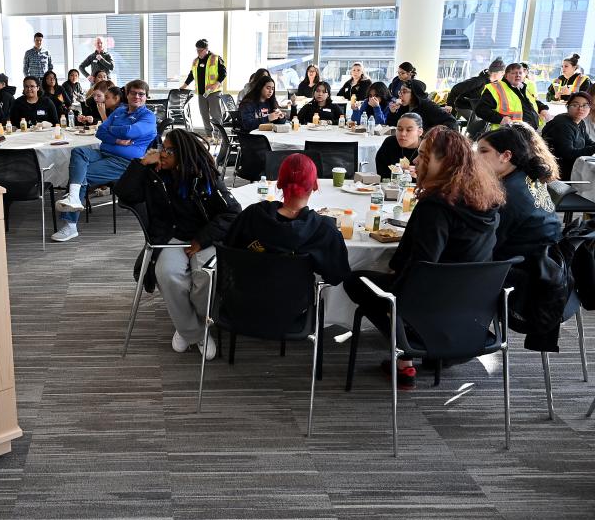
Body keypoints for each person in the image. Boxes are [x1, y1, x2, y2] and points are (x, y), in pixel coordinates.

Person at [343, 126, 504, 388]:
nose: (416, 161)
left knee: (354, 280)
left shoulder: (437, 206)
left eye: (423, 155)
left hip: (430, 303)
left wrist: (395, 276)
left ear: (443, 161)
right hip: (470, 304)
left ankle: (407, 352)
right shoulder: (486, 201)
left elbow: (422, 266)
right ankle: (417, 344)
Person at [113, 129, 241, 360]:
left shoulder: (205, 176)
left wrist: (202, 239)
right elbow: (123, 193)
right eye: (162, 148)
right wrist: (142, 163)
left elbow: (232, 213)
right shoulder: (154, 174)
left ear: (182, 154)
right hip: (169, 237)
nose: (163, 154)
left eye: (169, 150)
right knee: (167, 273)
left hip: (205, 237)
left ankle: (190, 321)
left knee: (205, 276)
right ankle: (193, 332)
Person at [53, 79, 157, 242]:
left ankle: (70, 226)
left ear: (146, 97)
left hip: (125, 162)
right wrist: (116, 139)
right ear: (127, 95)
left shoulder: (148, 117)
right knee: (79, 151)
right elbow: (99, 132)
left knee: (80, 177)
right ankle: (73, 197)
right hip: (105, 153)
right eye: (133, 93)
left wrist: (111, 129)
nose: (137, 96)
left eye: (141, 94)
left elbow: (130, 132)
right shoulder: (119, 112)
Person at [226, 153, 350, 286]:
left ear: (279, 183)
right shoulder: (324, 229)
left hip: (241, 299)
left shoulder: (251, 215)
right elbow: (336, 276)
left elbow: (228, 251)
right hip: (294, 303)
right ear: (314, 185)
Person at [478, 124, 560, 261]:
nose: (474, 157)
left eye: (483, 151)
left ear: (506, 156)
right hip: (547, 260)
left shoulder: (504, 192)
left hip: (522, 269)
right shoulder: (526, 176)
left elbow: (487, 244)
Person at [475, 62, 551, 131]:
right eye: (514, 73)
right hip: (508, 132)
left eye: (520, 73)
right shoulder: (496, 87)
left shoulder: (522, 87)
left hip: (531, 131)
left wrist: (543, 109)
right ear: (506, 75)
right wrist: (501, 119)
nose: (518, 75)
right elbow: (481, 109)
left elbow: (532, 101)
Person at [541, 91, 595, 177]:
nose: (580, 109)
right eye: (575, 105)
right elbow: (568, 154)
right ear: (567, 106)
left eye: (585, 105)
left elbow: (587, 141)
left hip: (574, 167)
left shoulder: (580, 122)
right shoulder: (562, 124)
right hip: (559, 173)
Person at [180, 39, 227, 133]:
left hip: (214, 92)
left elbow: (223, 73)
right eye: (197, 50)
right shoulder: (195, 61)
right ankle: (209, 135)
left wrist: (216, 84)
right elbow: (192, 74)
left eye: (200, 50)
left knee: (215, 115)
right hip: (201, 93)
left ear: (206, 49)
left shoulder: (215, 58)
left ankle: (219, 135)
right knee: (204, 114)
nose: (198, 52)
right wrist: (185, 85)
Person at [386, 79, 457, 130]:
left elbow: (452, 122)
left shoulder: (428, 106)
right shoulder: (404, 106)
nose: (400, 95)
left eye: (404, 92)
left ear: (415, 94)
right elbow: (392, 127)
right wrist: (392, 112)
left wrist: (431, 133)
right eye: (400, 92)